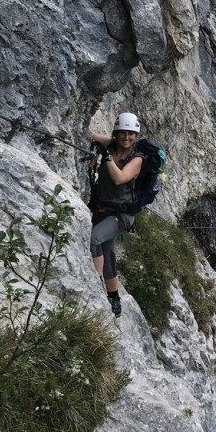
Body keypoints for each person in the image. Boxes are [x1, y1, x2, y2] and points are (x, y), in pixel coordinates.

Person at [89, 112, 145, 317]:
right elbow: (88, 134)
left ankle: (94, 285)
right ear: (116, 133)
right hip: (102, 210)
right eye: (122, 133)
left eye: (131, 134)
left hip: (121, 215)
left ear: (135, 136)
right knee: (108, 256)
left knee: (94, 239)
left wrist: (106, 158)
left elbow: (120, 178)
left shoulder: (137, 158)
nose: (126, 137)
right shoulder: (111, 146)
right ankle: (115, 300)